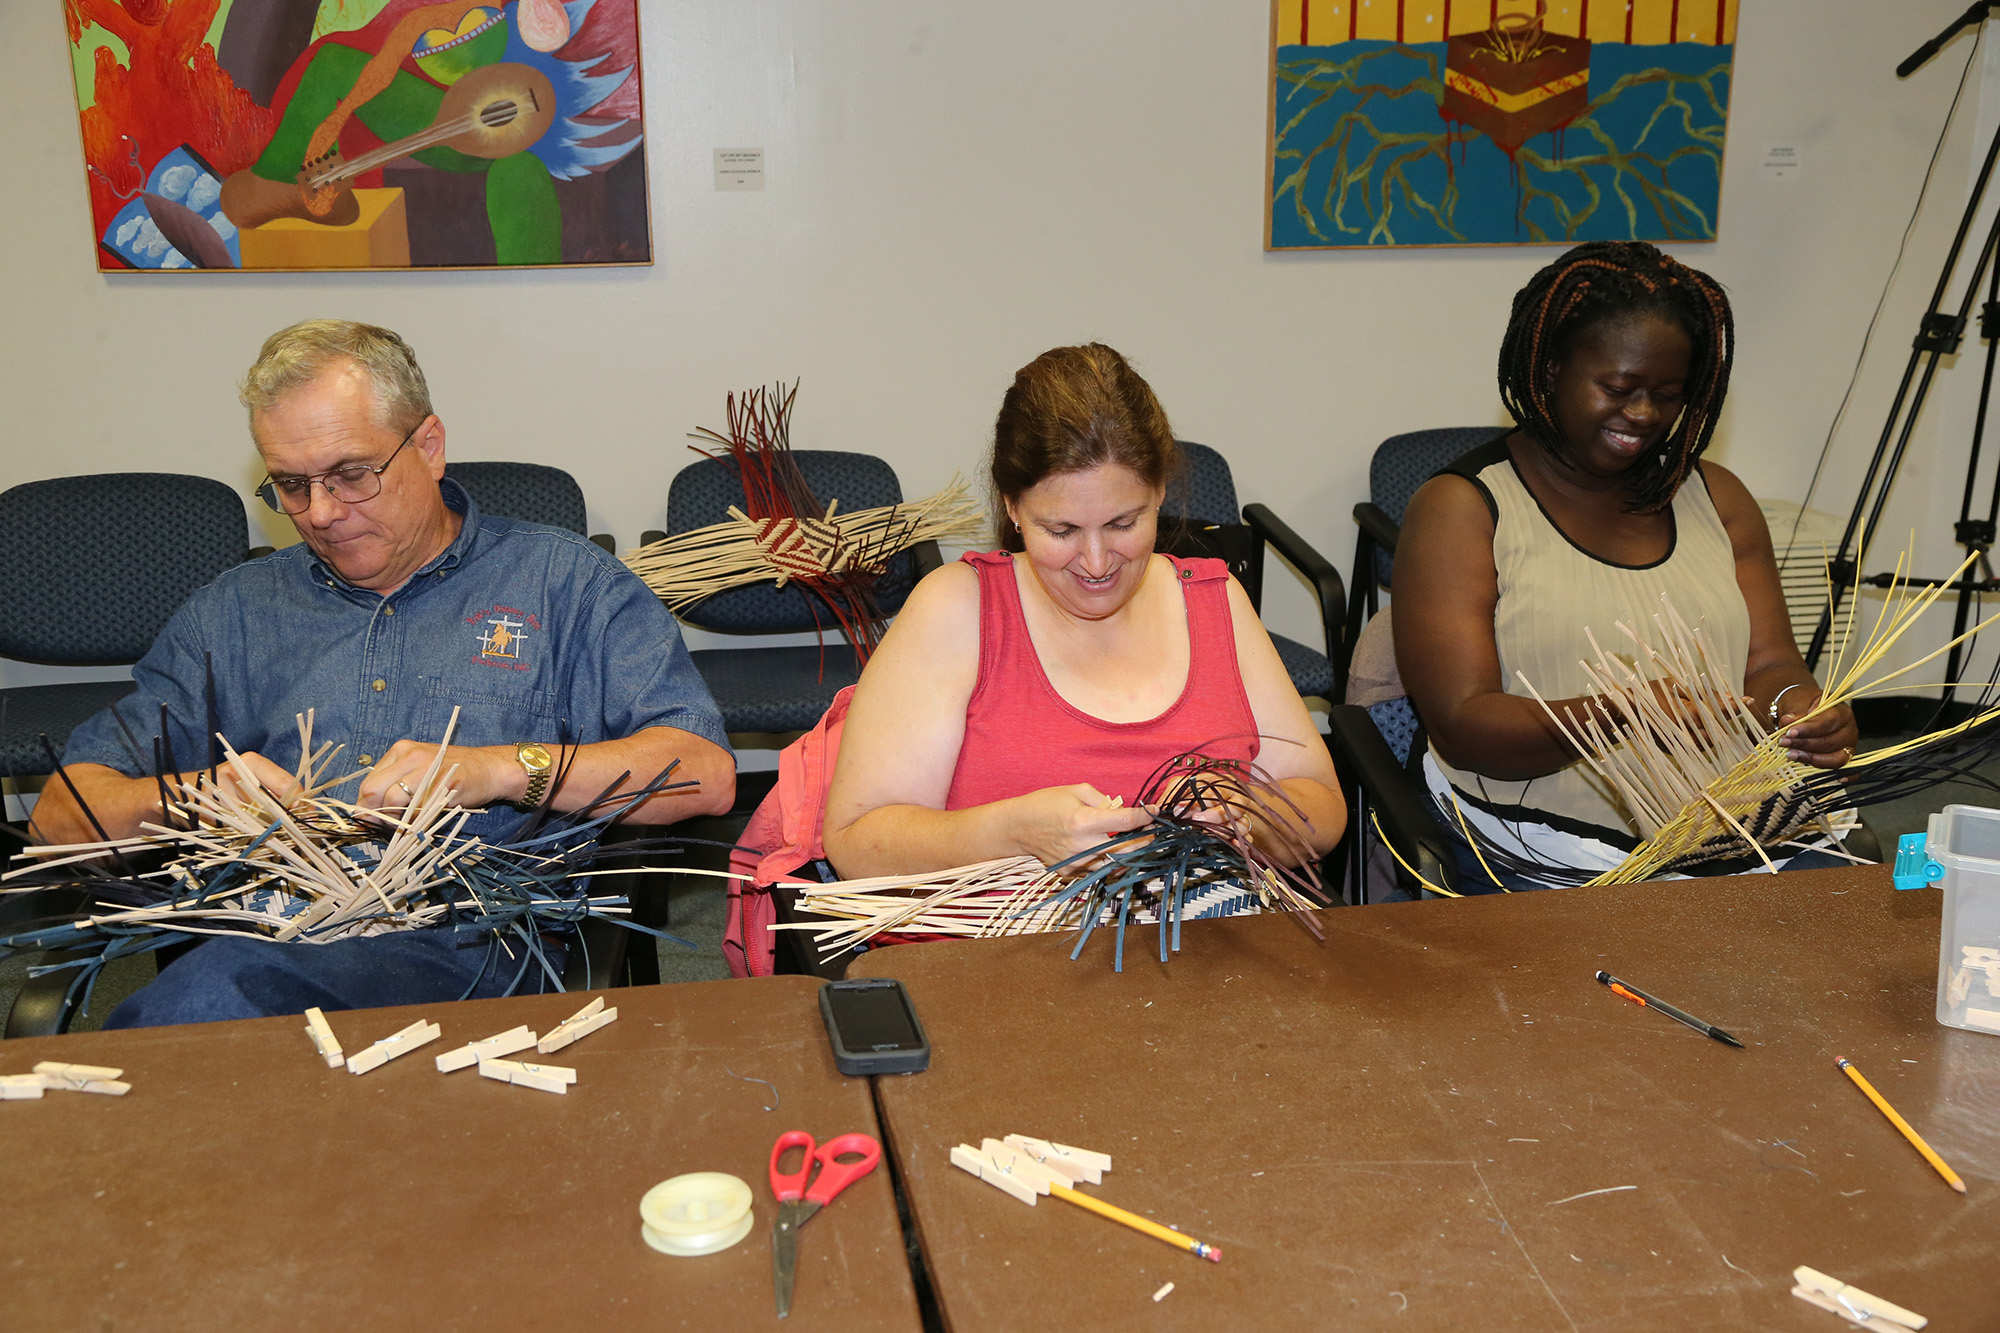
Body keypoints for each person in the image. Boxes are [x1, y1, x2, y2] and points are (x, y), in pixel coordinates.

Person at [40, 319, 734, 1024]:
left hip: (474, 950)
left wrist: (499, 770)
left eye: (350, 475)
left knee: (208, 1001)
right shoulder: (236, 613)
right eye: (289, 484)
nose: (321, 512)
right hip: (274, 934)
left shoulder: (565, 584)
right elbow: (60, 814)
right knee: (209, 1011)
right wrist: (193, 795)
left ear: (428, 447)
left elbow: (702, 771)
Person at [1393, 241, 1858, 891]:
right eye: (1618, 388)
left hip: (1726, 817)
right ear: (1550, 369)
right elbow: (1466, 727)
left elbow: (1768, 664)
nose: (1643, 415)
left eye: (1668, 395)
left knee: (1851, 938)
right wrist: (1624, 710)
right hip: (1542, 837)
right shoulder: (1462, 510)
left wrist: (1799, 706)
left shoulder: (1719, 497)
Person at [819, 343, 1344, 881]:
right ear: (1011, 507)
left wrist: (1253, 819)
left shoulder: (1214, 600)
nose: (1095, 563)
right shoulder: (956, 610)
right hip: (997, 957)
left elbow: (1323, 805)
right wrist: (1012, 835)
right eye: (1062, 531)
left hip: (1209, 948)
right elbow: (856, 843)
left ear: (1160, 493)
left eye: (1123, 523)